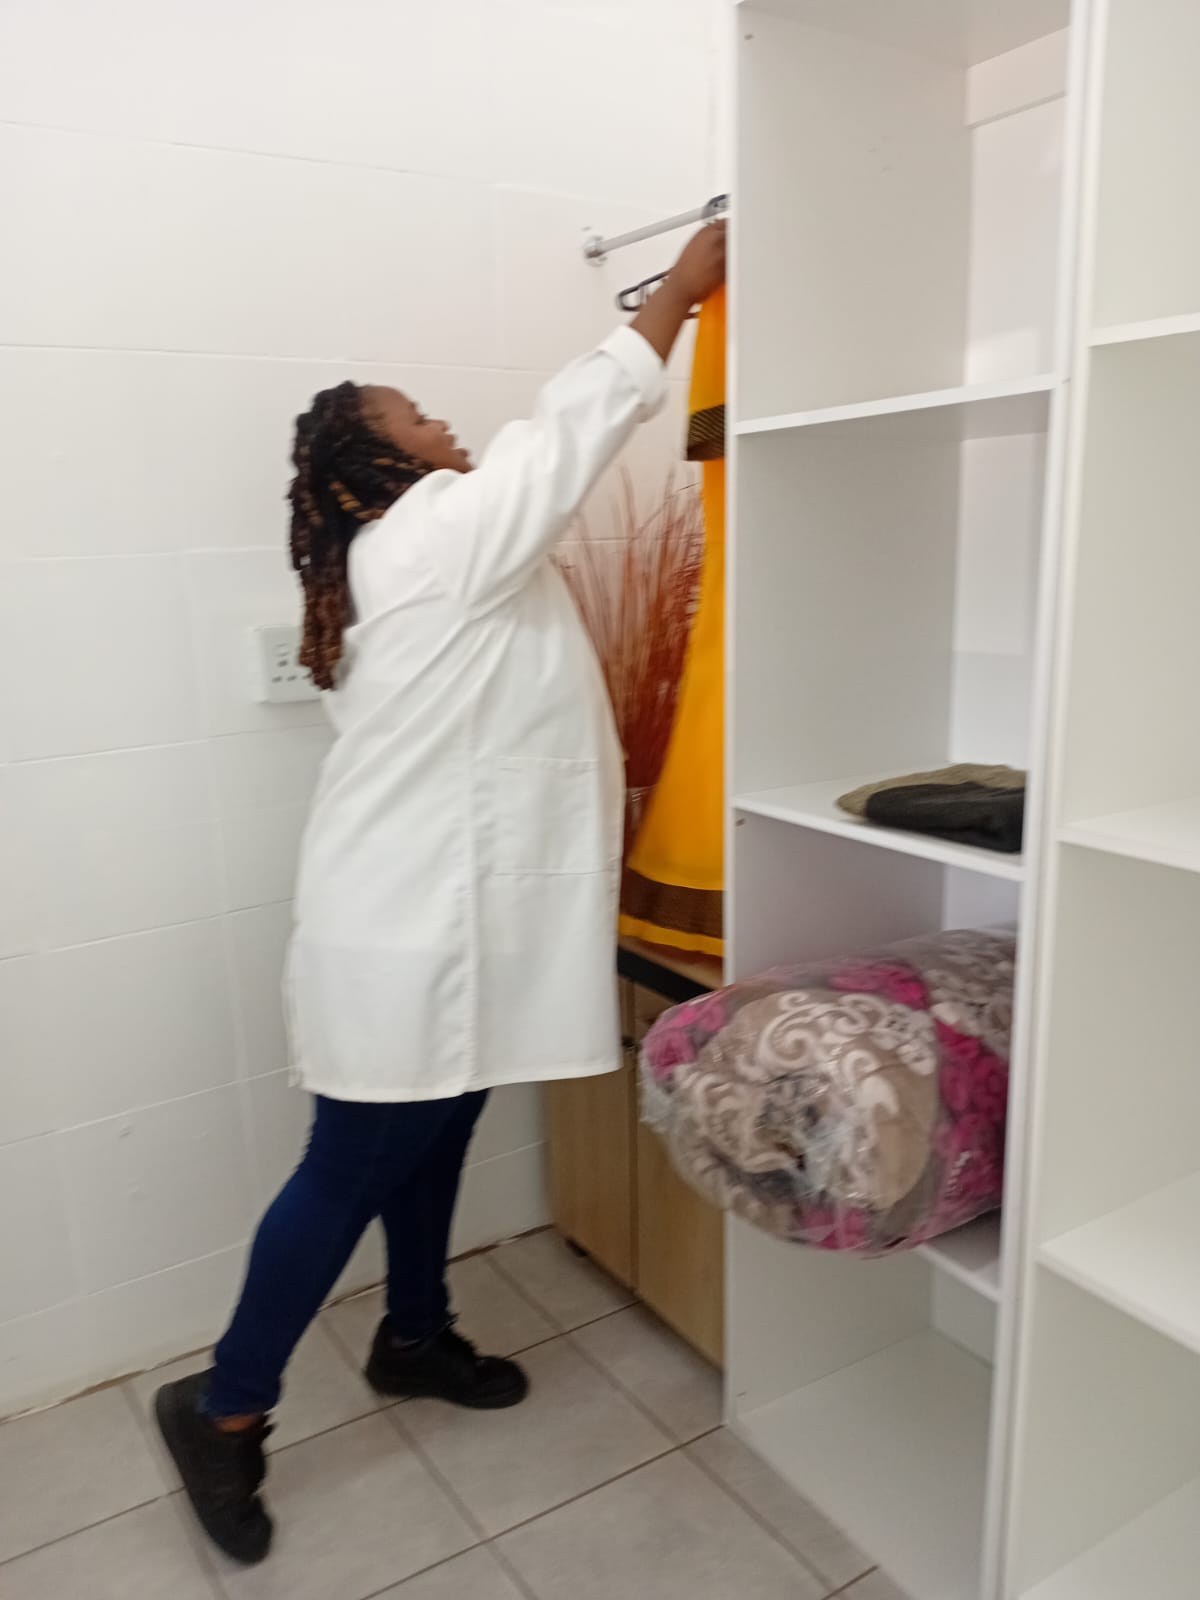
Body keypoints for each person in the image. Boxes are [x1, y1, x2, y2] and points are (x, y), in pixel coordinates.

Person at [155, 222, 727, 1564]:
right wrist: (682, 296)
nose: (442, 423)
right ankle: (224, 1405)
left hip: (447, 913)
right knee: (353, 1163)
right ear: (371, 462)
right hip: (406, 926)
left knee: (443, 1120)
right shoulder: (431, 536)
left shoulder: (411, 561)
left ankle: (415, 1334)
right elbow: (563, 436)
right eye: (412, 415)